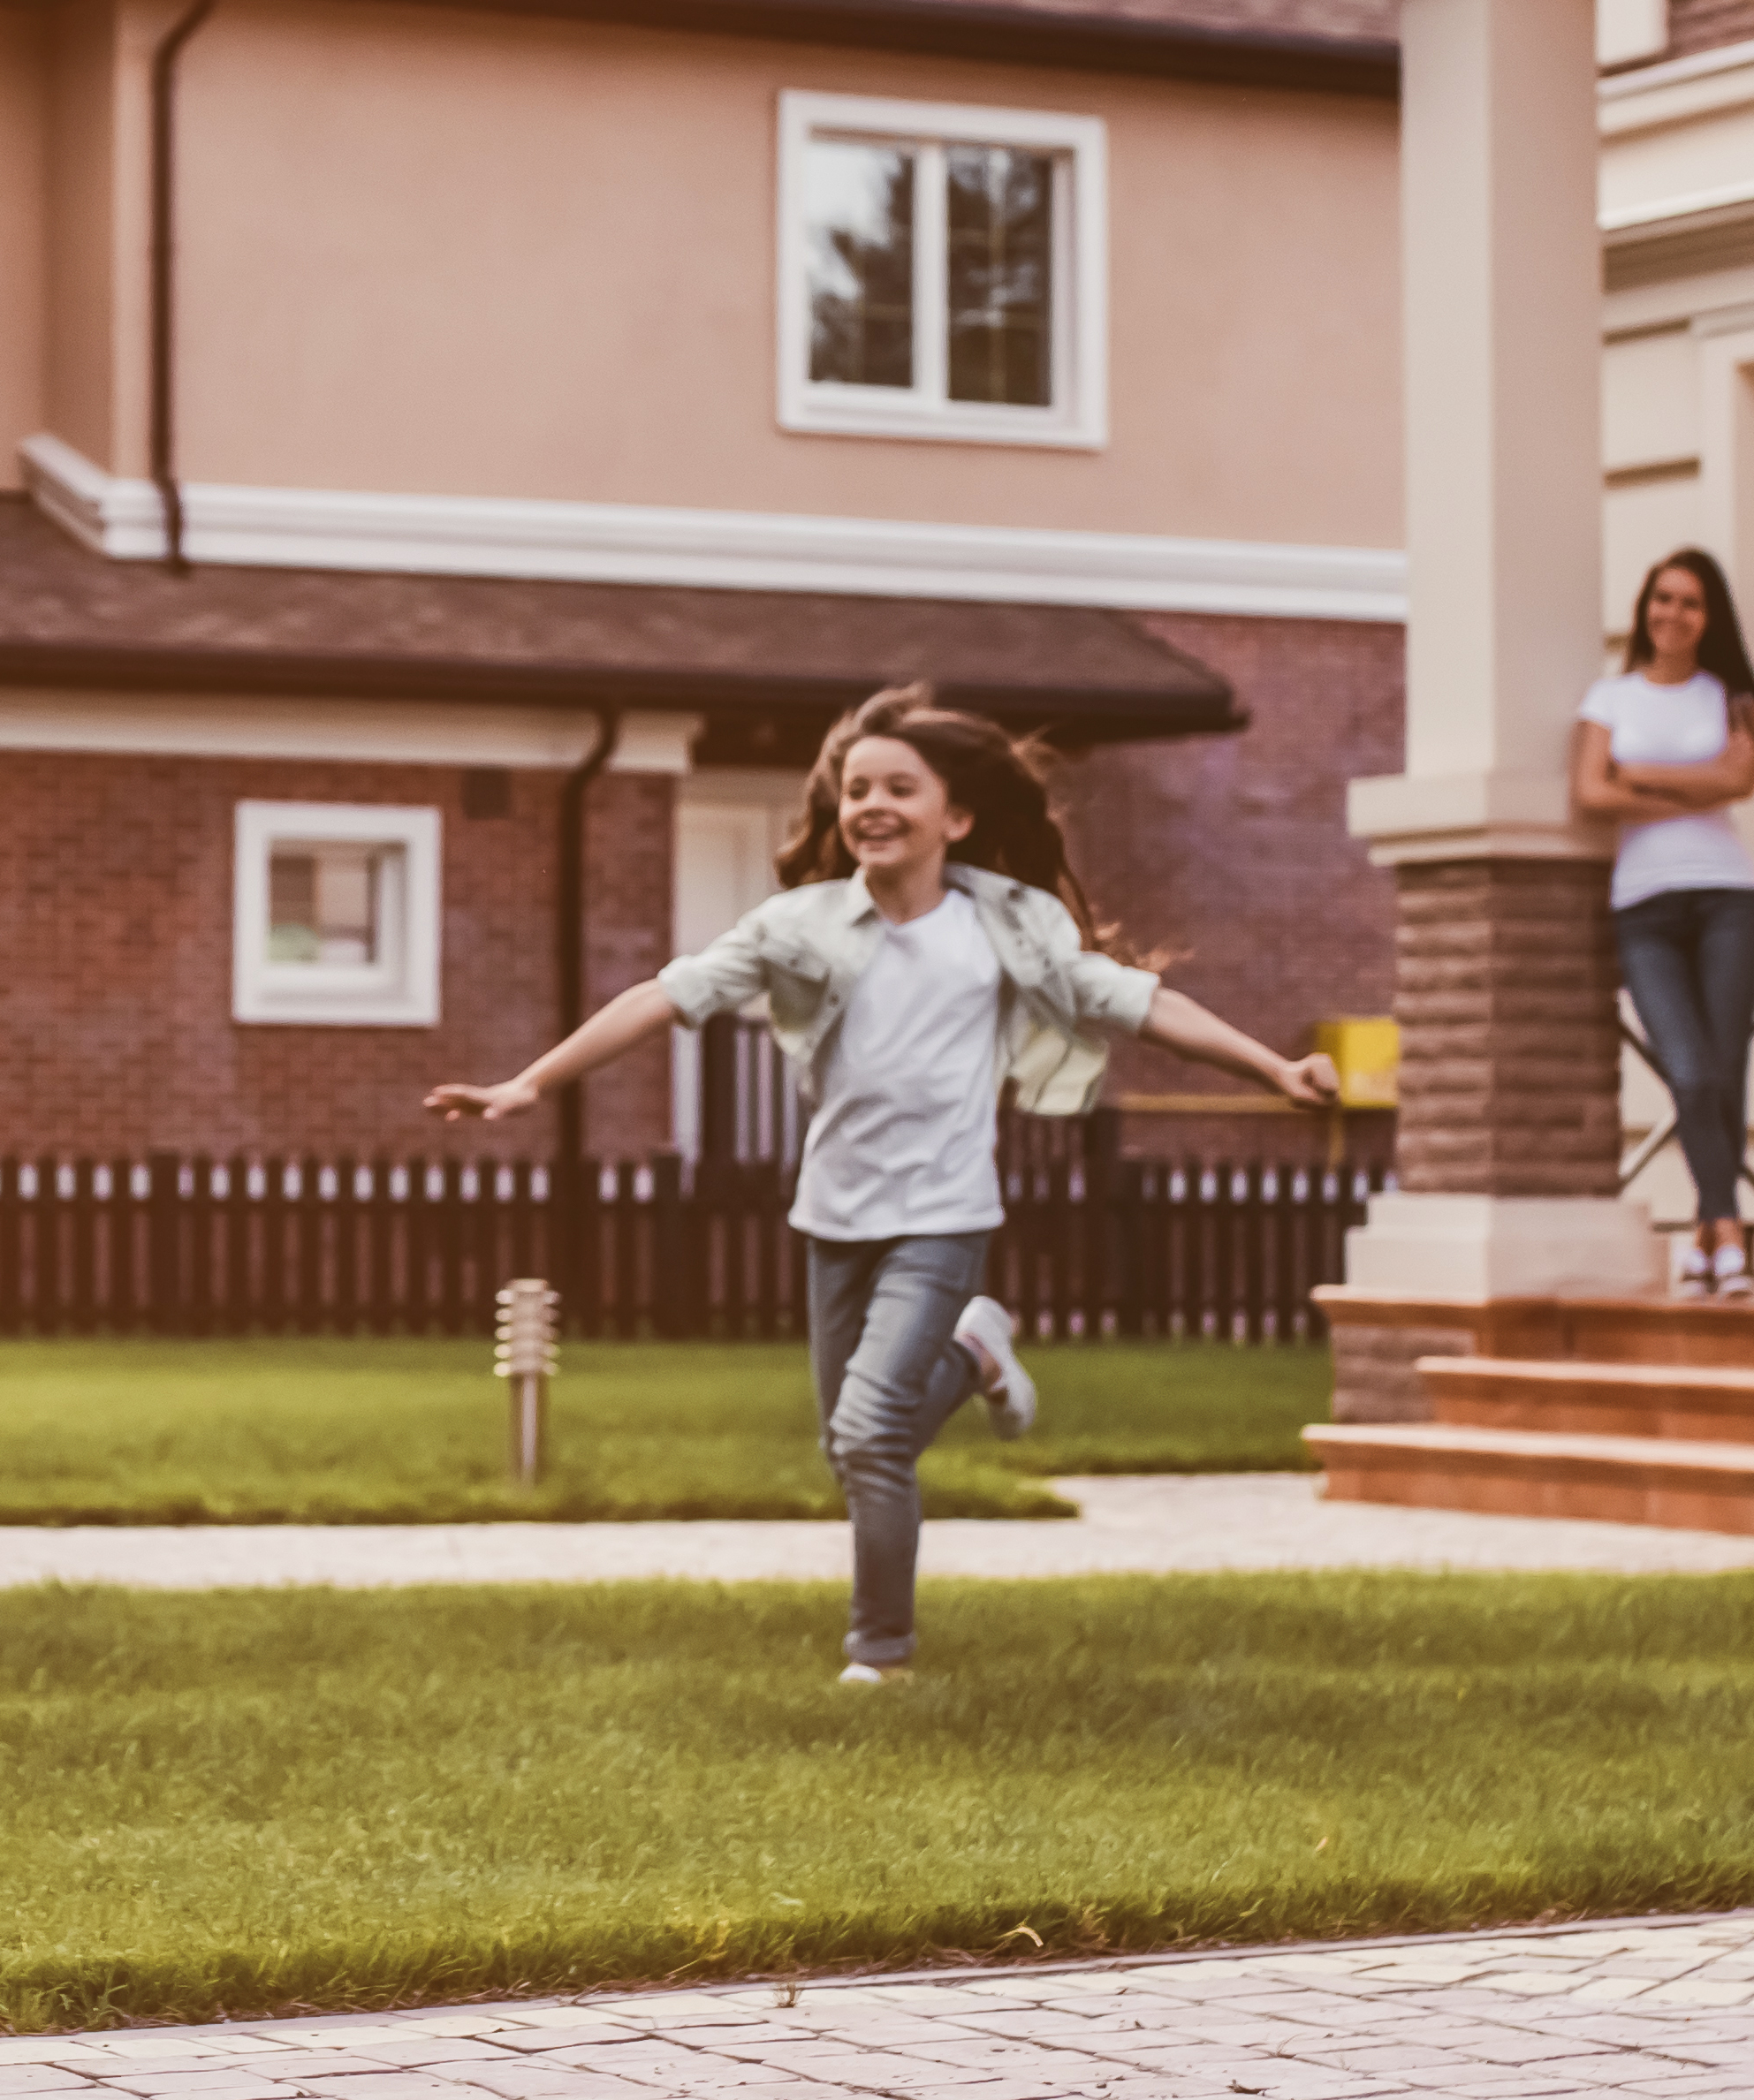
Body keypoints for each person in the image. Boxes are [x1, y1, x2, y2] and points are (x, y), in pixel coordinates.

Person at [426, 686, 1335, 1684]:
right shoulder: (802, 924)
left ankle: (880, 1655)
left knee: (867, 1432)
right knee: (853, 1443)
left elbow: (1140, 1004)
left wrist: (1273, 1070)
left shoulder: (1008, 926)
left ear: (957, 816)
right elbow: (662, 995)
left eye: (900, 786)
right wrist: (529, 1082)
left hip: (942, 1216)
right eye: (857, 788)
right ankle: (976, 1352)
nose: (871, 804)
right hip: (834, 1214)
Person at [1575, 547, 1754, 1300]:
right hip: (1645, 909)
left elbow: (1740, 781)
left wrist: (1645, 778)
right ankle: (1729, 1232)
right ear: (1645, 609)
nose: (1673, 614)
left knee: (1724, 1075)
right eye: (1662, 599)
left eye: (1690, 603)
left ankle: (1710, 1241)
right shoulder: (1610, 698)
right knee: (1690, 1073)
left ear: (1709, 617)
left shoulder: (1733, 696)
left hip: (1730, 898)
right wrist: (1694, 790)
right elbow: (1591, 792)